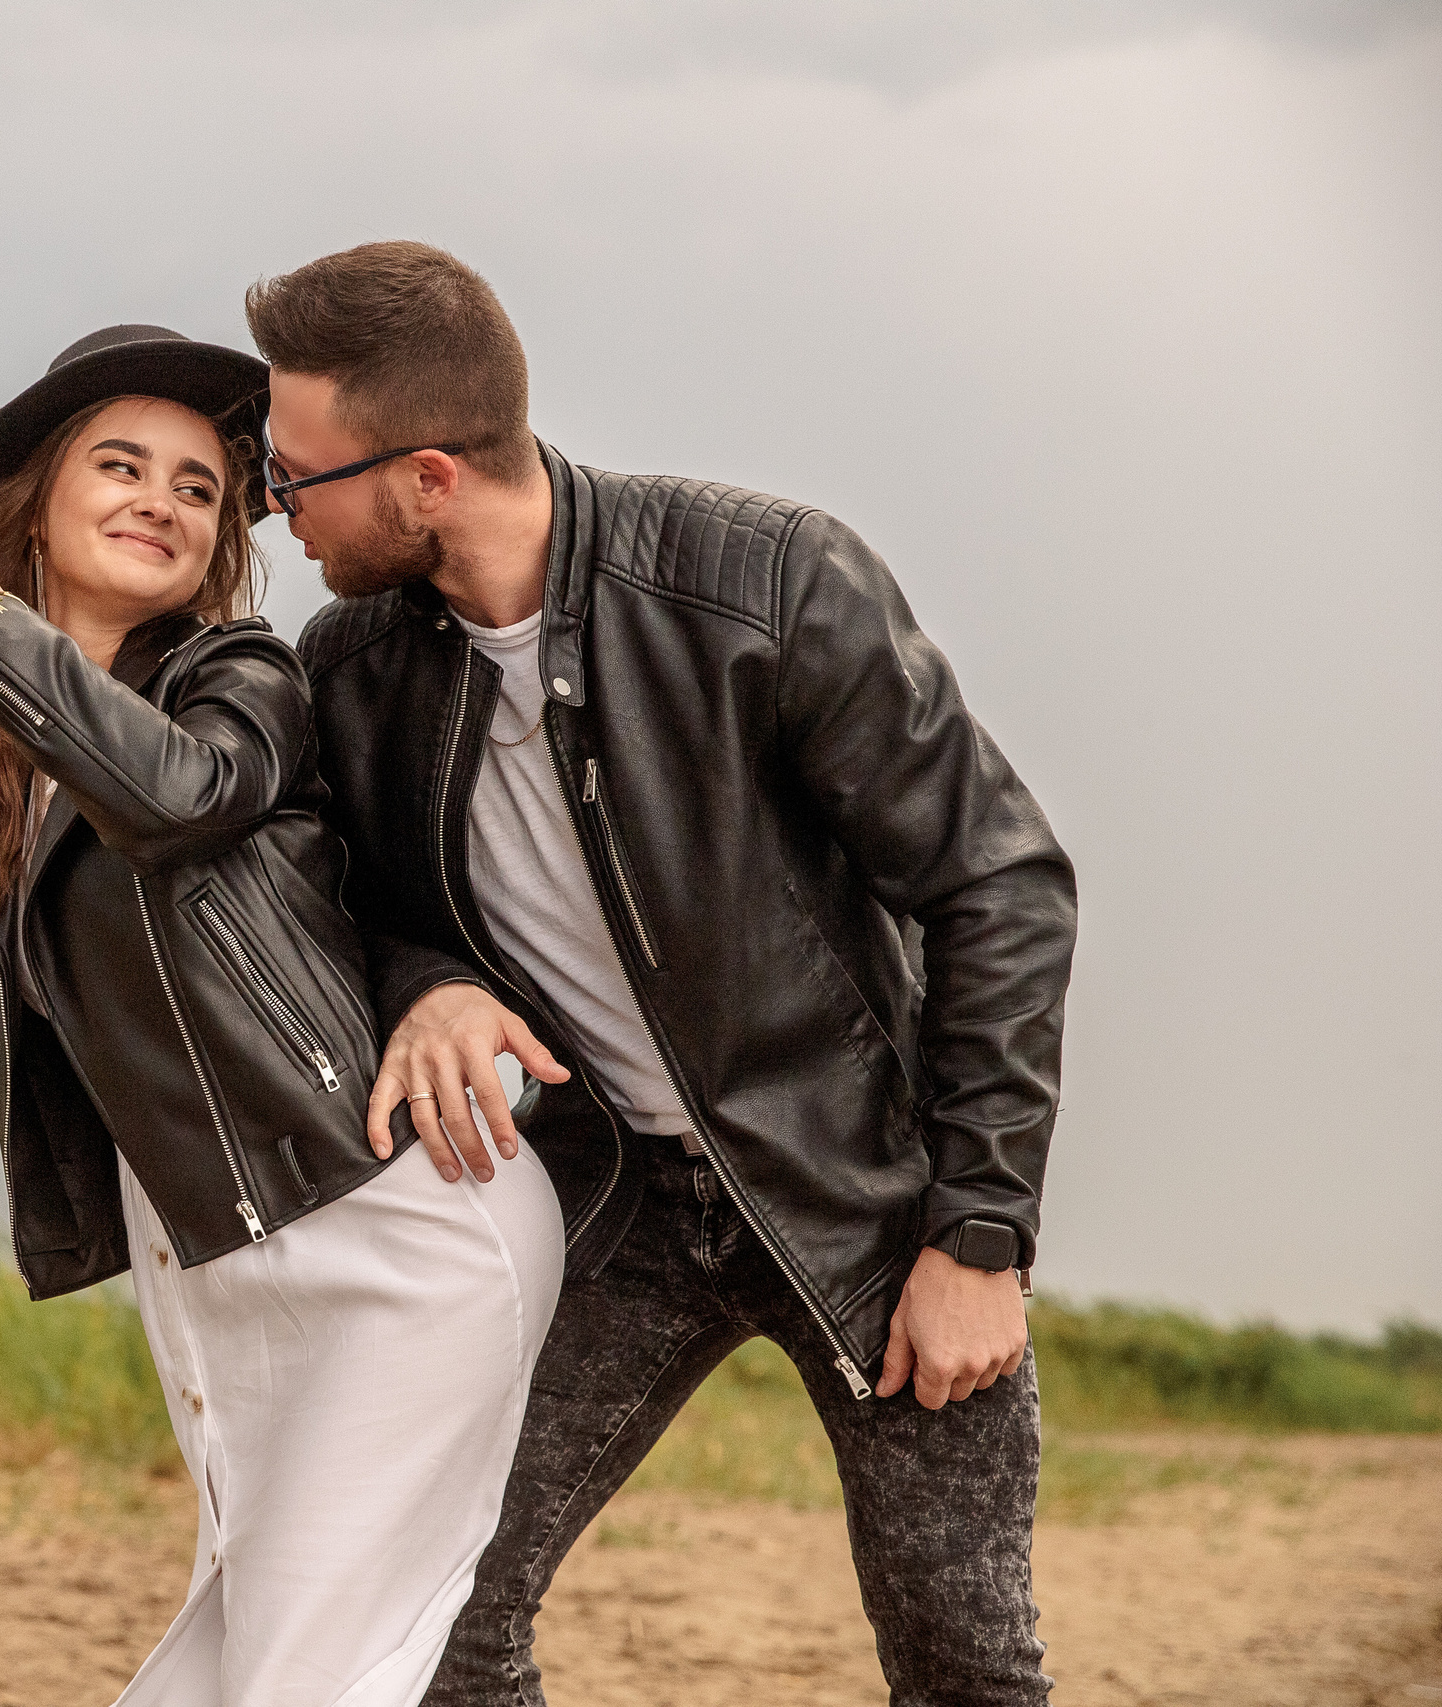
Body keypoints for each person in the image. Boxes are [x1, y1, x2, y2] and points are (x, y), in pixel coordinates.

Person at [0, 325, 567, 1707]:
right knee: (215, 1681)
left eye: (201, 486)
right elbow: (56, 1060)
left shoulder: (242, 678)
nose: (163, 497)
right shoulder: (21, 767)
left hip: (396, 1236)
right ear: (36, 502)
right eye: (121, 465)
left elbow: (176, 798)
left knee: (302, 1679)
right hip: (236, 1272)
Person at [249, 243, 1079, 1706]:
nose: (275, 511)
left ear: (427, 478)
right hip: (598, 1201)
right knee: (439, 1620)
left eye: (293, 478)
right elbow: (349, 915)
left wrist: (985, 1232)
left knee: (966, 1670)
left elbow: (996, 882)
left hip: (865, 1199)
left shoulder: (764, 582)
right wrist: (426, 982)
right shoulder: (351, 669)